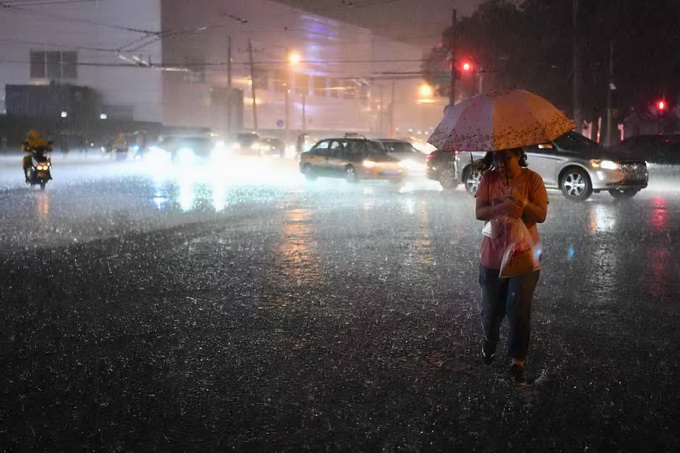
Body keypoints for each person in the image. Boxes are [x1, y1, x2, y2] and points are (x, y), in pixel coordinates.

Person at [474, 147, 548, 385]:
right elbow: (479, 212)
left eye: (507, 158)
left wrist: (521, 204)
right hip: (493, 256)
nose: (502, 163)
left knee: (518, 311)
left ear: (518, 155)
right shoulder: (489, 179)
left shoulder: (532, 180)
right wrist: (500, 208)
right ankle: (489, 341)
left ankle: (517, 361)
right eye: (497, 158)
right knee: (491, 311)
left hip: (523, 256)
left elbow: (541, 214)